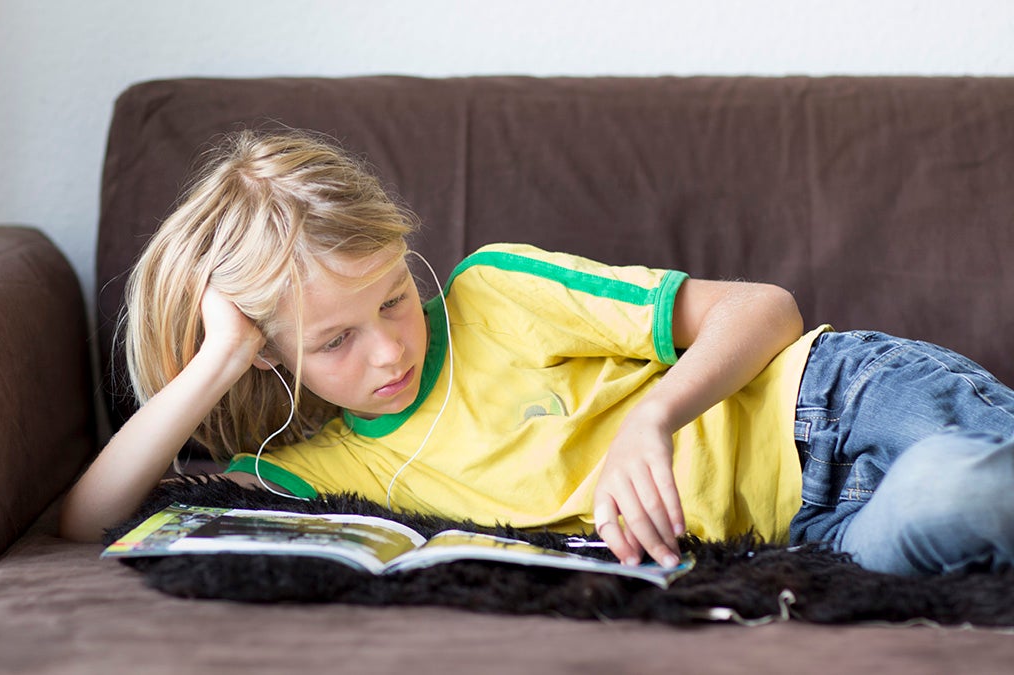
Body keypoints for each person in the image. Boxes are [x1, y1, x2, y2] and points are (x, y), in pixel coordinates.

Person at [59, 130, 1014, 577]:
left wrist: (653, 416)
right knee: (954, 500)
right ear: (272, 353)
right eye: (336, 340)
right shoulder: (325, 468)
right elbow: (86, 520)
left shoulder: (495, 293)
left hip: (835, 401)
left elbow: (762, 308)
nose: (390, 346)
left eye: (394, 295)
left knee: (974, 480)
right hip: (809, 536)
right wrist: (218, 359)